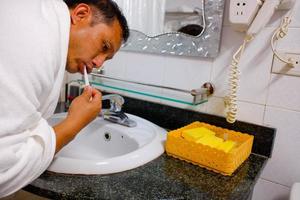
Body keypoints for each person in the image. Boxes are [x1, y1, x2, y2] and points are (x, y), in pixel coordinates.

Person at [0, 0, 129, 197]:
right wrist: (75, 123)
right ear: (81, 14)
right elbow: (4, 168)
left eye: (106, 58)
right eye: (104, 46)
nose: (98, 63)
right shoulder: (37, 42)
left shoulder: (34, 16)